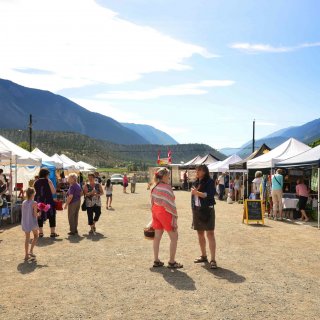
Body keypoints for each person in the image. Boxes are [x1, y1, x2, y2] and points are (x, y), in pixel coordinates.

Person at [151, 168, 183, 269]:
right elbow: (171, 201)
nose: (169, 177)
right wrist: (174, 217)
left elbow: (152, 201)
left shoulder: (154, 186)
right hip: (165, 212)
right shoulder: (167, 187)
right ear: (164, 176)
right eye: (168, 176)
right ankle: (172, 262)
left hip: (155, 211)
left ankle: (156, 260)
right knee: (174, 237)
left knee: (157, 237)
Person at [191, 164, 217, 269]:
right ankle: (204, 256)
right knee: (200, 234)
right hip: (197, 210)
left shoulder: (210, 182)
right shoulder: (195, 182)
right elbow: (194, 197)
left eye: (199, 170)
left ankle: (213, 260)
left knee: (210, 234)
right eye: (196, 170)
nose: (197, 172)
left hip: (208, 210)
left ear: (204, 172)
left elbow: (209, 195)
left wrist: (197, 193)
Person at [34, 168, 58, 238]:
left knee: (39, 216)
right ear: (46, 174)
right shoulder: (48, 181)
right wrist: (50, 183)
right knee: (52, 216)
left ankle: (40, 233)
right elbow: (53, 192)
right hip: (48, 201)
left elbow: (35, 192)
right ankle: (52, 233)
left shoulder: (36, 181)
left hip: (39, 201)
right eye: (48, 174)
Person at [21, 188, 39, 261]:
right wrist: (39, 214)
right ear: (33, 194)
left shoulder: (24, 202)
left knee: (27, 238)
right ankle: (31, 251)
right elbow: (35, 215)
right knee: (35, 236)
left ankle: (26, 255)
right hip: (32, 222)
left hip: (25, 222)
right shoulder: (34, 203)